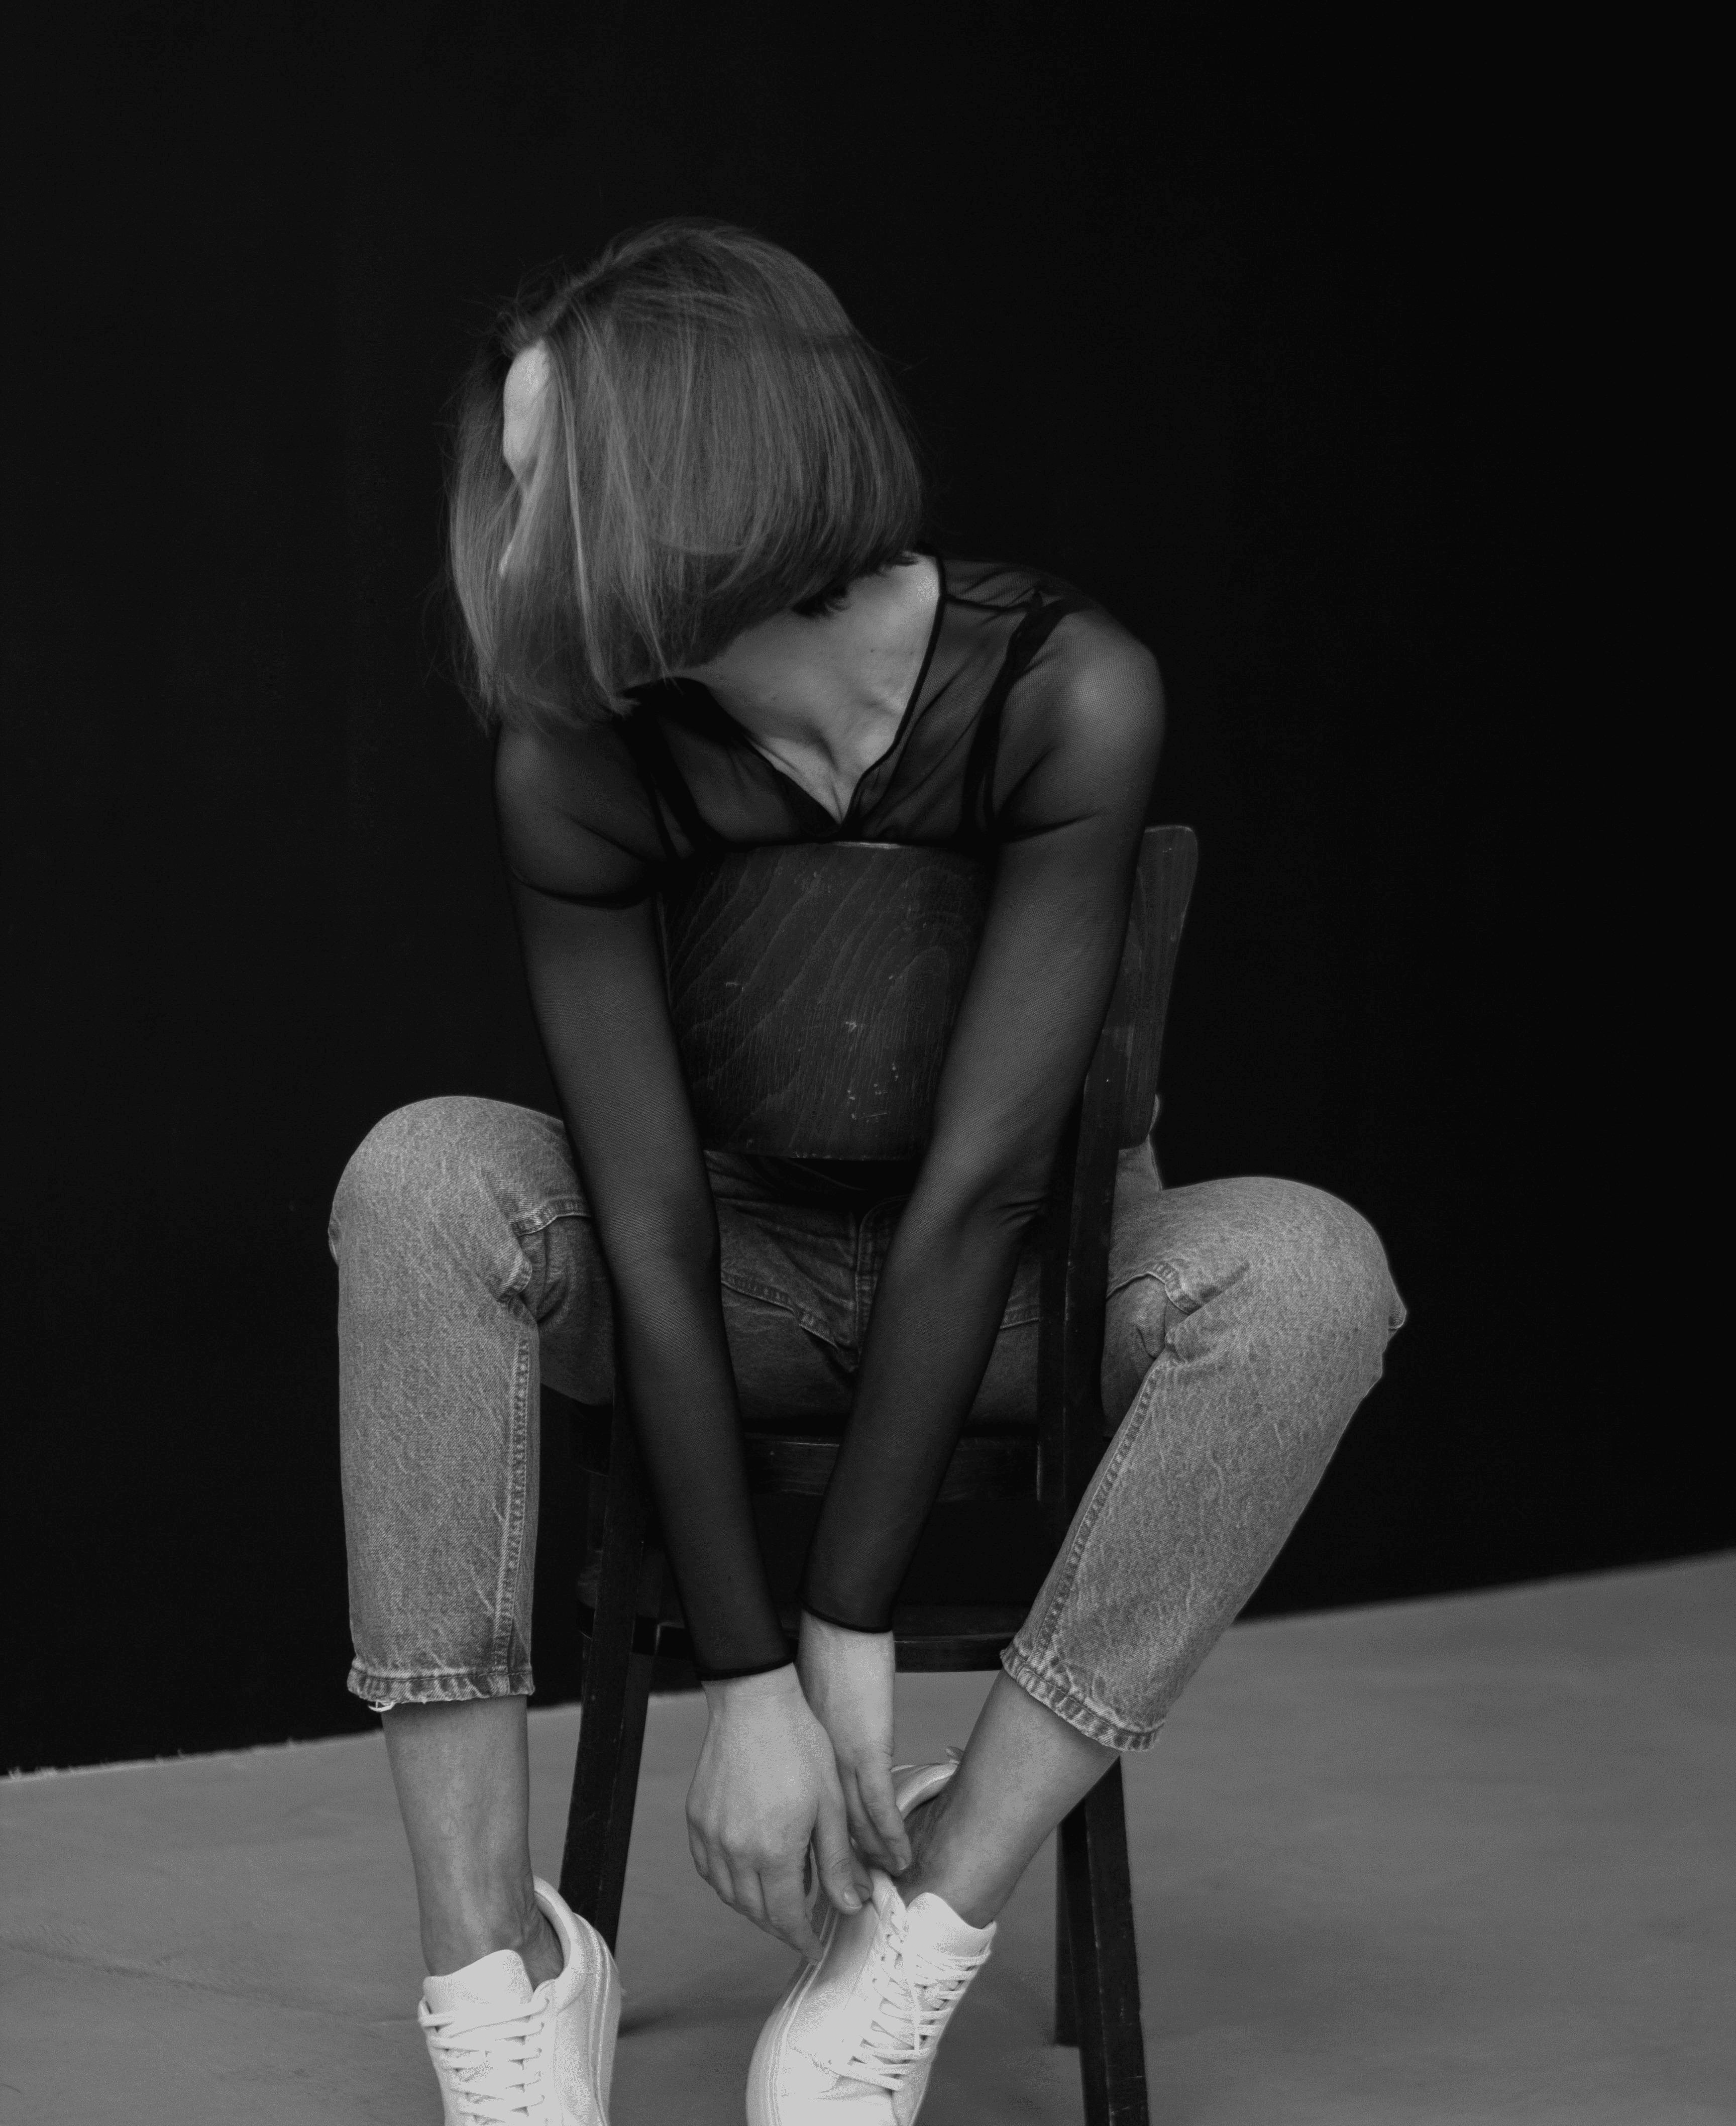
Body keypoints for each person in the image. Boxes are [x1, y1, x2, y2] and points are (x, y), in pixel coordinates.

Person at [331, 219, 1405, 2125]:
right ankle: (499, 1971)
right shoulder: (575, 761)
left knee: (1313, 1271)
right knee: (418, 1177)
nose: (517, 541)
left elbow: (989, 1189)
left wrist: (845, 1630)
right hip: (722, 1277)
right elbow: (649, 1228)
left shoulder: (1068, 688)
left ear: (708, 472)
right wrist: (746, 1680)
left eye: (560, 484)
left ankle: (923, 1920)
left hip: (1027, 1282)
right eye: (514, 484)